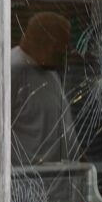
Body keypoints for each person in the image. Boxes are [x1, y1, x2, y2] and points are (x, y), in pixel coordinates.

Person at [11, 12, 78, 166]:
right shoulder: (11, 70)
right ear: (46, 42)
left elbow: (64, 127)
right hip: (27, 183)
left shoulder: (50, 72)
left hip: (60, 180)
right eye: (64, 45)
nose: (68, 51)